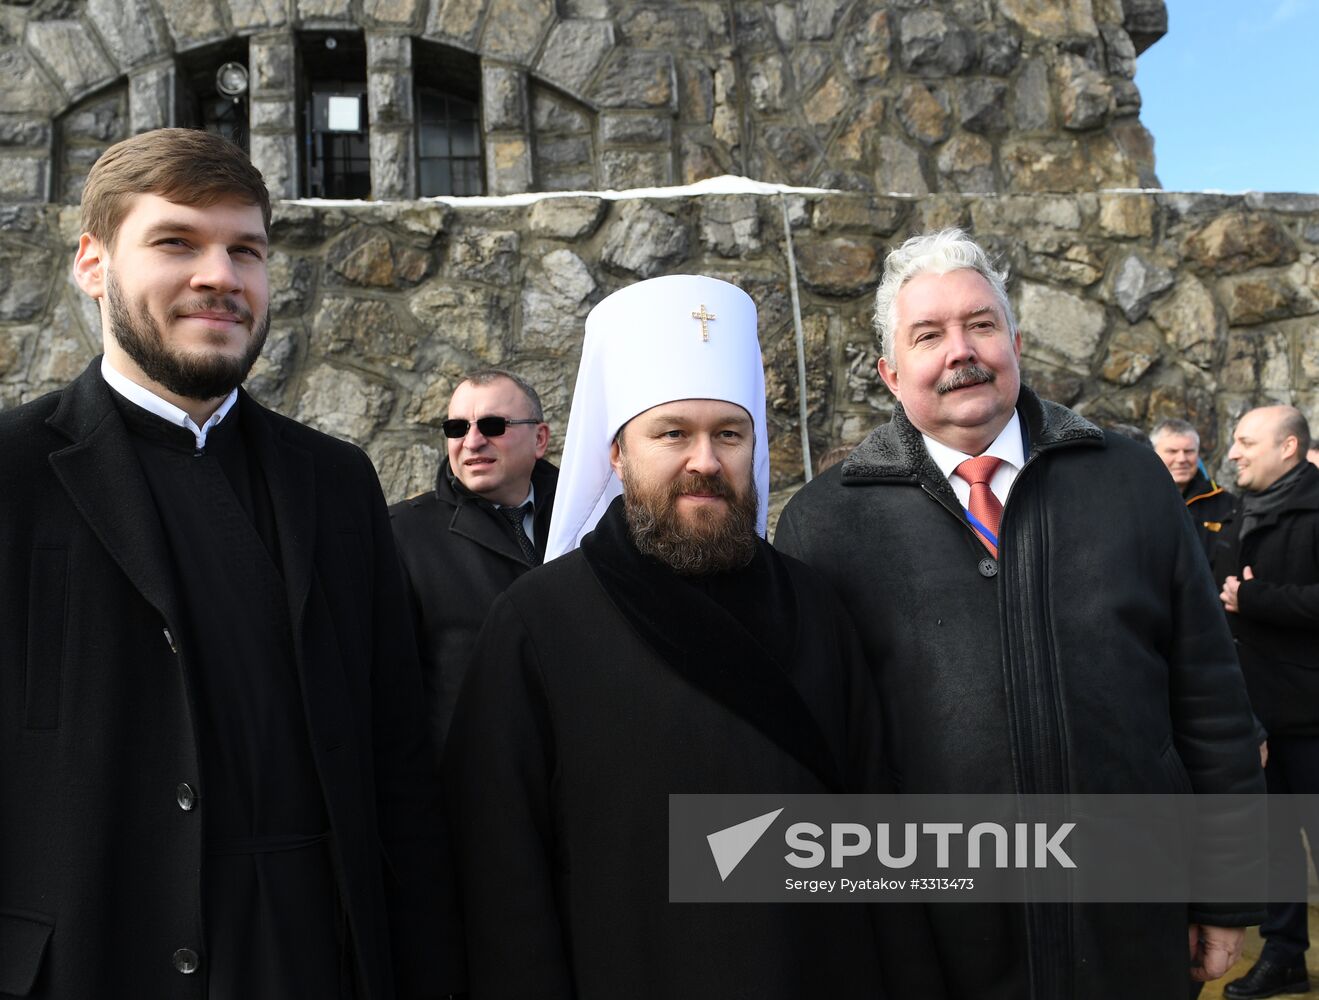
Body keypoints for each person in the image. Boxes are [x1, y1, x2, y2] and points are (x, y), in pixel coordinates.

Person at [0, 128, 455, 998]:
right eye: (176, 242)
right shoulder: (11, 475)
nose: (221, 275)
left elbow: (395, 759)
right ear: (93, 265)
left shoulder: (335, 482)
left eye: (245, 250)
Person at [775, 229, 1264, 1000]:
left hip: (1130, 921)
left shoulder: (1129, 477)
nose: (959, 351)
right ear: (890, 370)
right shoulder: (823, 523)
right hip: (937, 936)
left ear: (1016, 341)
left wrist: (1228, 890)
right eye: (928, 335)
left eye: (979, 324)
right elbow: (821, 753)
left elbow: (1207, 692)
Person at [443, 274, 884, 998]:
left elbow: (872, 832)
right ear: (616, 455)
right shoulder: (535, 623)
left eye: (728, 434)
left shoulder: (814, 605)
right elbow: (498, 879)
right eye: (672, 432)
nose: (704, 460)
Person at [390, 368, 557, 756]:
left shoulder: (591, 523)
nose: (472, 441)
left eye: (493, 425)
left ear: (540, 438)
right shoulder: (402, 535)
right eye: (456, 428)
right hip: (472, 791)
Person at [1213, 406, 1319, 1000]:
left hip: (1313, 714)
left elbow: (1246, 598)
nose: (1233, 452)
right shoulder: (1241, 509)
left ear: (1288, 447)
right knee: (1275, 842)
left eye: (1246, 441)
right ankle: (1283, 959)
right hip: (1259, 715)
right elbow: (1219, 595)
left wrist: (1259, 598)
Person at [1152, 417, 1236, 558]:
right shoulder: (1137, 500)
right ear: (1153, 454)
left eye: (1189, 451)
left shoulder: (1227, 505)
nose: (1181, 459)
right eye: (1172, 451)